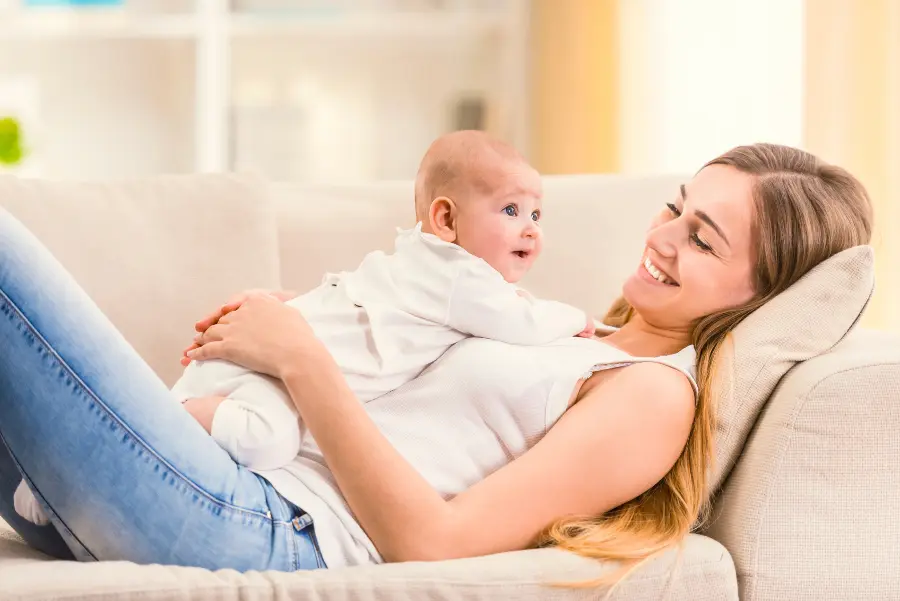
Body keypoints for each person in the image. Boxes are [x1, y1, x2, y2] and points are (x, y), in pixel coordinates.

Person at [0, 144, 872, 580]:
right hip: (227, 477)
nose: (663, 238)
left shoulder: (652, 398)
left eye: (703, 238)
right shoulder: (572, 333)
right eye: (677, 208)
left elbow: (435, 542)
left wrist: (303, 362)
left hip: (264, 524)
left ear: (759, 294)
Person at [12, 132, 595, 525]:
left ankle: (58, 476)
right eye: (513, 211)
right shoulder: (460, 279)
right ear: (445, 218)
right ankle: (151, 419)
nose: (532, 230)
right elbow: (523, 320)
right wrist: (585, 322)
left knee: (257, 439)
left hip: (274, 364)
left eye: (539, 214)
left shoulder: (425, 265)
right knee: (266, 440)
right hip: (272, 372)